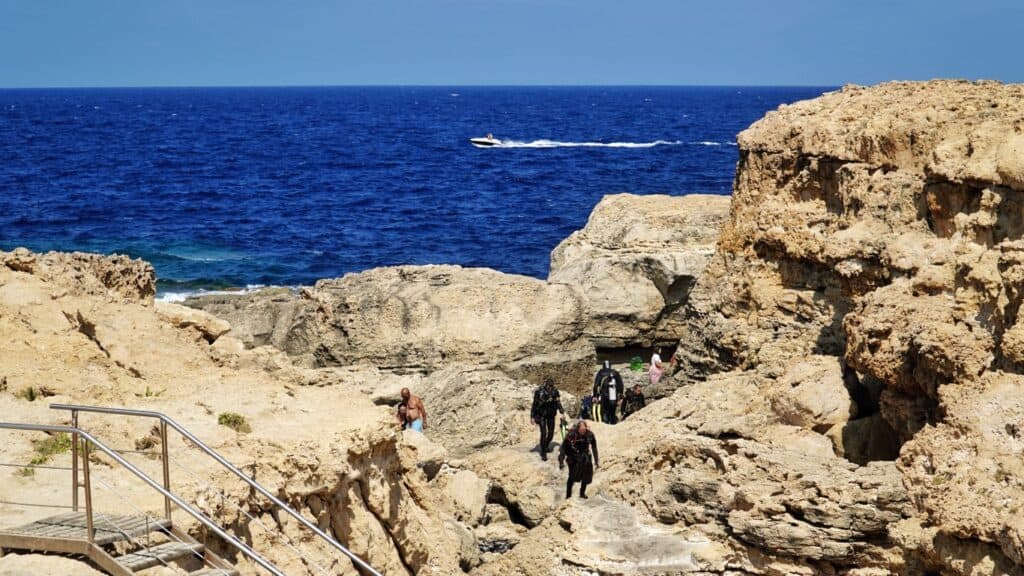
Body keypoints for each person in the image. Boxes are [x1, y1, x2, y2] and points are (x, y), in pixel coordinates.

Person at [559, 420, 599, 499]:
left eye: (584, 430)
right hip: (572, 455)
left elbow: (594, 447)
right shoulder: (571, 434)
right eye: (581, 430)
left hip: (584, 455)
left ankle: (582, 493)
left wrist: (596, 461)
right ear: (578, 429)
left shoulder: (590, 434)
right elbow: (563, 448)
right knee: (572, 476)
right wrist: (561, 461)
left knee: (586, 475)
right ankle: (568, 495)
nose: (583, 431)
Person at [531, 378, 564, 460]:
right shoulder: (539, 392)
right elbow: (534, 404)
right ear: (545, 385)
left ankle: (545, 445)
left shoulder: (555, 392)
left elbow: (558, 402)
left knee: (550, 434)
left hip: (551, 414)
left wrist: (562, 411)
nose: (550, 388)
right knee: (543, 433)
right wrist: (532, 416)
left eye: (551, 386)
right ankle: (543, 452)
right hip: (541, 414)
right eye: (549, 386)